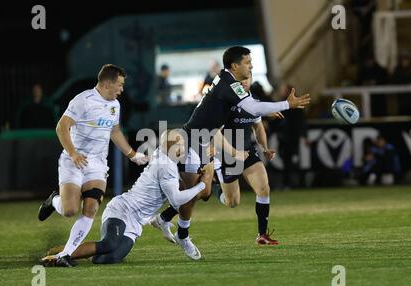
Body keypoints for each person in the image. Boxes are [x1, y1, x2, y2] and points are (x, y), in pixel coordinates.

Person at [151, 46, 310, 254]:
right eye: (247, 63)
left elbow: (255, 117)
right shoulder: (230, 85)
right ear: (235, 66)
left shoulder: (232, 86)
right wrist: (286, 104)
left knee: (216, 191)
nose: (250, 67)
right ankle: (167, 224)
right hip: (199, 142)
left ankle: (170, 224)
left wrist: (262, 146)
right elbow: (245, 113)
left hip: (211, 141)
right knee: (196, 192)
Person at [41, 129, 212, 266]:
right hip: (124, 210)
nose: (183, 148)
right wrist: (202, 185)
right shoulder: (166, 165)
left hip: (136, 221)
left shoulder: (165, 156)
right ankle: (60, 256)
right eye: (180, 144)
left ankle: (72, 250)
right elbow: (176, 200)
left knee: (110, 257)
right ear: (171, 147)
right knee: (109, 244)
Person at [37, 64, 148, 267]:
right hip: (73, 162)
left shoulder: (115, 105)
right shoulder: (83, 100)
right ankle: (54, 201)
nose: (122, 90)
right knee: (69, 210)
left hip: (97, 165)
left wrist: (132, 155)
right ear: (107, 83)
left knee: (90, 208)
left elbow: (115, 131)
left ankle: (66, 255)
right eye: (120, 85)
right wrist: (73, 153)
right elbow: (61, 127)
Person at [211, 75, 284, 245]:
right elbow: (214, 130)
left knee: (264, 188)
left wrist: (264, 148)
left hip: (247, 152)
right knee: (232, 202)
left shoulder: (254, 101)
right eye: (240, 79)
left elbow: (257, 127)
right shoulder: (227, 103)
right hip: (226, 155)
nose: (244, 81)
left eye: (247, 78)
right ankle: (214, 186)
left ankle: (262, 234)